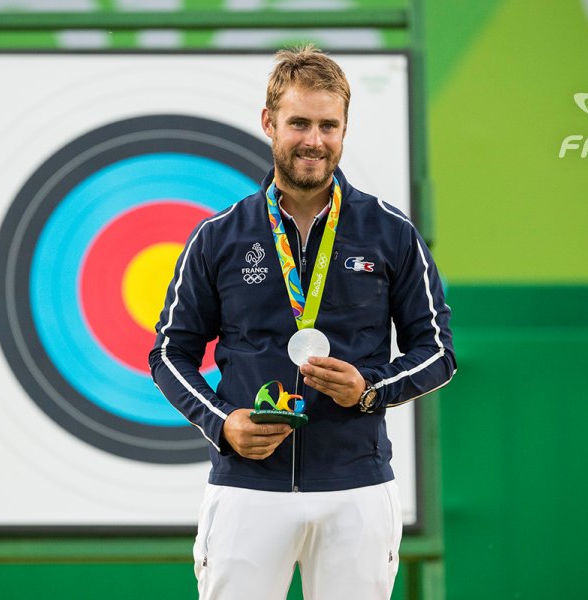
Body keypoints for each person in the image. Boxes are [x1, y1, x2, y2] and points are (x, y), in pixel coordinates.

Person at [149, 45, 456, 600]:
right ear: (269, 123)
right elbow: (169, 353)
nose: (314, 140)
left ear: (344, 129)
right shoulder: (219, 237)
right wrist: (222, 423)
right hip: (247, 488)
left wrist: (369, 390)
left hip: (356, 489)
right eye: (299, 123)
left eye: (328, 125)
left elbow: (437, 352)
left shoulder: (390, 233)